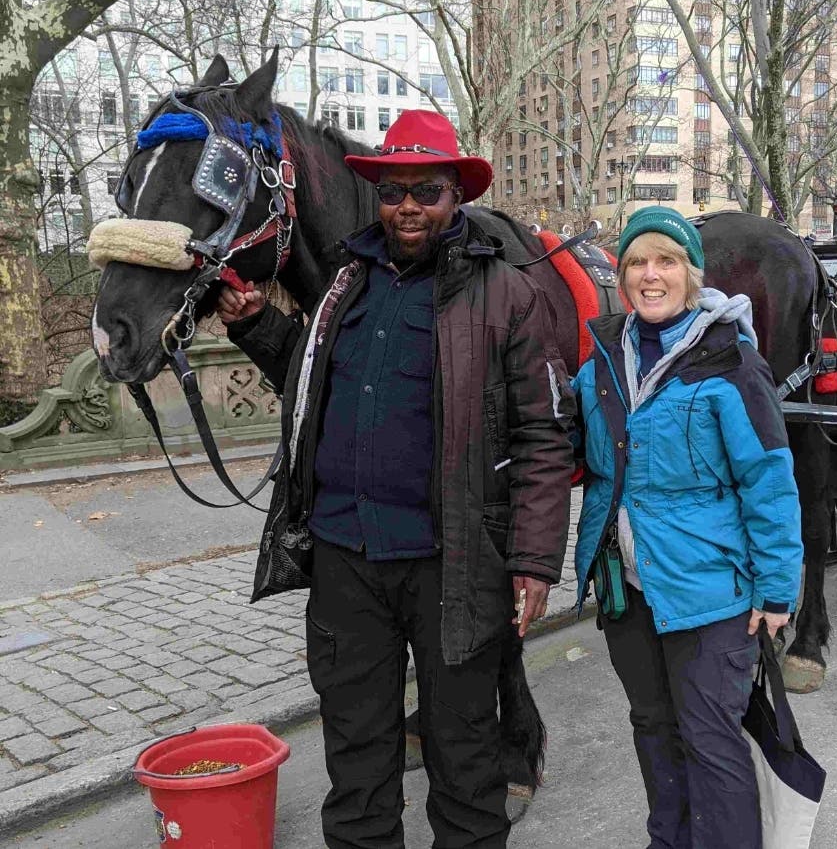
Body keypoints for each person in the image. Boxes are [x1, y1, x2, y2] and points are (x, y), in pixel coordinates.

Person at [216, 109, 575, 848]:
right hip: (346, 565)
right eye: (394, 191)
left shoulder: (507, 293)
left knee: (465, 756)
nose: (407, 206)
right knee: (356, 756)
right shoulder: (344, 283)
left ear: (455, 198)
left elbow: (543, 435)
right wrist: (257, 322)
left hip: (456, 568)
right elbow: (315, 384)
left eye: (426, 191)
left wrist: (536, 561)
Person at [572, 206, 803, 849]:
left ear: (692, 276)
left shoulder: (730, 362)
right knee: (652, 727)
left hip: (711, 591)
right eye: (637, 263)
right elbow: (574, 453)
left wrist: (777, 588)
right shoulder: (602, 366)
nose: (651, 275)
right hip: (628, 586)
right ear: (621, 278)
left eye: (666, 261)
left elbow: (768, 478)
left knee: (709, 737)